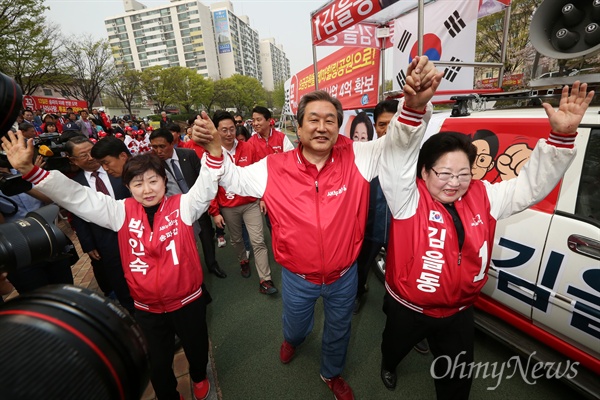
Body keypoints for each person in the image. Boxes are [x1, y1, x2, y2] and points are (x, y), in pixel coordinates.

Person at [377, 57, 592, 399]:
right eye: (444, 174)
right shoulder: (407, 197)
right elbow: (397, 156)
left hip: (459, 312)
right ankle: (389, 362)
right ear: (424, 174)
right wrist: (413, 111)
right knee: (394, 344)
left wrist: (561, 136)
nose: (454, 183)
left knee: (456, 383)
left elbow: (529, 187)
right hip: (409, 307)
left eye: (463, 174)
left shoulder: (484, 195)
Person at [193, 91, 387, 400]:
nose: (322, 127)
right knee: (296, 328)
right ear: (298, 127)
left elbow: (401, 141)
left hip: (344, 276)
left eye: (330, 120)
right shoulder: (274, 167)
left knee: (339, 331)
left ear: (338, 127)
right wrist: (215, 149)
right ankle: (292, 341)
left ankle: (331, 373)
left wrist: (416, 107)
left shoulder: (359, 158)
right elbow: (232, 179)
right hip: (299, 278)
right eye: (314, 119)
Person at [2, 133, 220, 400]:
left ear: (165, 181)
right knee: (158, 364)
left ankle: (199, 377)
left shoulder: (184, 205)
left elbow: (207, 187)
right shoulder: (120, 211)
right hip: (146, 308)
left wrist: (214, 151)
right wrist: (31, 171)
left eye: (154, 181)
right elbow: (77, 197)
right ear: (127, 186)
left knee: (196, 349)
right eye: (138, 183)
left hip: (187, 301)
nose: (147, 189)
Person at [207, 111, 275, 293]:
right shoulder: (212, 154)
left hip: (251, 203)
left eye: (232, 129)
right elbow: (210, 184)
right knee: (237, 240)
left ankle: (265, 280)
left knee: (258, 241)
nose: (229, 133)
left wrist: (263, 198)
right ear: (216, 131)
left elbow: (260, 174)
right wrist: (215, 212)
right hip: (228, 208)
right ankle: (243, 261)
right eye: (224, 130)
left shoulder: (248, 148)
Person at [65, 136, 135, 314]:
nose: (90, 157)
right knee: (118, 278)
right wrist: (88, 244)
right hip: (104, 239)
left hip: (134, 230)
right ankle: (131, 311)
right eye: (83, 155)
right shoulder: (75, 184)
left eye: (91, 151)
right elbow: (78, 217)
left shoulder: (122, 170)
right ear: (73, 160)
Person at [148, 128, 227, 279]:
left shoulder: (189, 155)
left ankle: (212, 264)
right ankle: (192, 273)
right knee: (184, 244)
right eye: (154, 147)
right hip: (175, 213)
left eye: (161, 146)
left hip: (198, 206)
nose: (158, 151)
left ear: (173, 143)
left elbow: (203, 181)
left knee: (206, 236)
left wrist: (212, 208)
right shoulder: (153, 164)